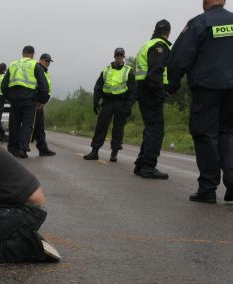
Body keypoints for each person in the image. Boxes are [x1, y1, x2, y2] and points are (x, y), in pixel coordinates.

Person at [167, 0, 233, 203]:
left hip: (207, 88)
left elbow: (181, 56)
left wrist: (173, 83)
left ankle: (208, 188)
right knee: (228, 134)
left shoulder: (199, 23)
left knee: (205, 135)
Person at [133, 19, 172, 179]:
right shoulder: (160, 46)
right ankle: (148, 167)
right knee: (156, 130)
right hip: (151, 92)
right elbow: (155, 72)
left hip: (144, 91)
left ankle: (141, 164)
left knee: (150, 128)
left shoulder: (147, 45)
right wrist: (162, 91)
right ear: (168, 32)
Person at [83, 48, 136, 162]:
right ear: (114, 56)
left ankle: (114, 153)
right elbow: (98, 87)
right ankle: (95, 151)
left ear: (123, 57)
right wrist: (95, 102)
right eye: (117, 55)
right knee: (101, 126)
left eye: (121, 55)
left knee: (118, 128)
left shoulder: (128, 71)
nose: (119, 57)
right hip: (108, 102)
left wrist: (129, 105)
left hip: (122, 102)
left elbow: (133, 90)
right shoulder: (106, 70)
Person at [2, 46, 50, 158]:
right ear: (33, 54)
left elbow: (4, 84)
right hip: (29, 99)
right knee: (27, 125)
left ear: (22, 54)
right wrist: (40, 100)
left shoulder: (13, 64)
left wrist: (8, 97)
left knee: (14, 124)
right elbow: (44, 86)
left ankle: (12, 149)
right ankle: (22, 149)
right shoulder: (35, 65)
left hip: (14, 99)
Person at [32, 53, 56, 156]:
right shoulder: (38, 69)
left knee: (39, 127)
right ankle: (19, 148)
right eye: (46, 61)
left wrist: (43, 102)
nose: (48, 63)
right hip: (36, 103)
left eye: (49, 61)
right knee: (32, 126)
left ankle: (43, 149)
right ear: (40, 60)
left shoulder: (44, 72)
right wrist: (39, 101)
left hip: (40, 103)